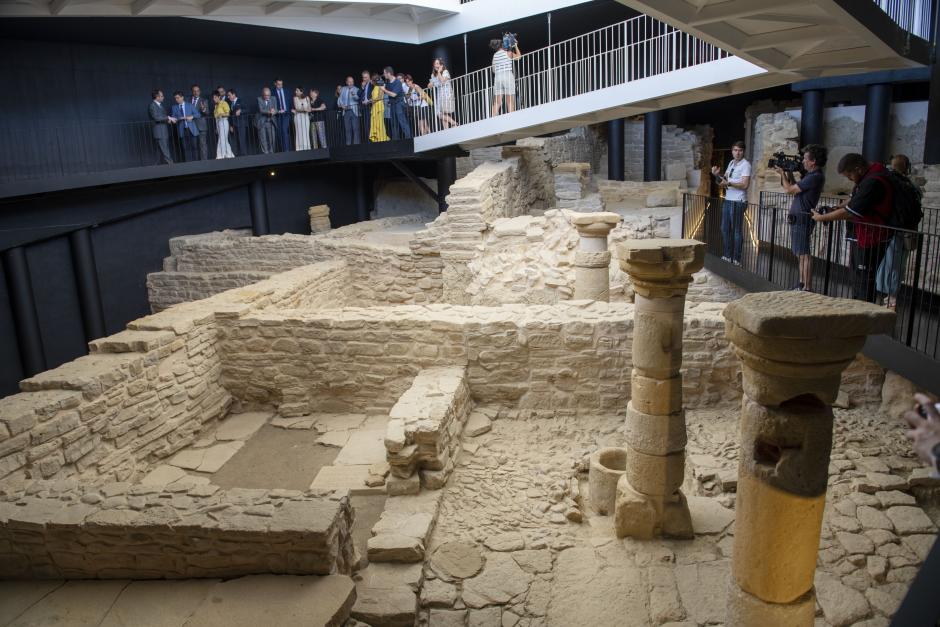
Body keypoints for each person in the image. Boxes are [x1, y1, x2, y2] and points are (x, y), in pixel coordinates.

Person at [811, 153, 893, 303]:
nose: (849, 179)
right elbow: (853, 200)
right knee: (858, 276)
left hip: (871, 237)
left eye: (849, 175)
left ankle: (863, 314)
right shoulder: (869, 177)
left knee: (863, 279)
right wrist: (835, 208)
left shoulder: (873, 182)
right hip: (864, 236)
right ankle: (858, 308)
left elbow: (850, 211)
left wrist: (821, 218)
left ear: (858, 169)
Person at [777, 144, 826, 292]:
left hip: (803, 218)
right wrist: (789, 173)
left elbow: (789, 190)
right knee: (800, 253)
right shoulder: (810, 176)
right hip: (799, 218)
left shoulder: (815, 176)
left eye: (805, 159)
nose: (803, 161)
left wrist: (782, 173)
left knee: (804, 254)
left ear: (813, 161)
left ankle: (807, 286)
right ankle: (801, 283)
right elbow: (795, 186)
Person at [876, 154, 920, 309]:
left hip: (892, 229)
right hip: (907, 230)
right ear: (906, 167)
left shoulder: (891, 182)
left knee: (889, 264)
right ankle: (891, 297)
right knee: (896, 264)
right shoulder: (912, 186)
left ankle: (890, 299)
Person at [711, 140, 751, 265]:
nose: (737, 153)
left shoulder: (746, 165)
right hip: (728, 200)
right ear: (732, 151)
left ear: (743, 151)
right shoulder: (731, 163)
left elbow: (745, 184)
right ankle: (728, 255)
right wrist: (716, 175)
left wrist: (728, 183)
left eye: (740, 150)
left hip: (738, 202)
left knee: (737, 231)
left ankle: (737, 259)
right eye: (735, 150)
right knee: (724, 229)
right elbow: (723, 180)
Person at [491, 38, 521, 117]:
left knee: (497, 102)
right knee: (510, 101)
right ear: (502, 45)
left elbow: (493, 70)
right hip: (507, 76)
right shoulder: (508, 53)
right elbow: (518, 57)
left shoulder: (495, 56)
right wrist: (515, 46)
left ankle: (493, 119)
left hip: (497, 78)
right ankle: (511, 119)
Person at [381, 66, 411, 140]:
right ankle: (395, 142)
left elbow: (394, 94)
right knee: (394, 124)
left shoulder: (397, 82)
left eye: (384, 73)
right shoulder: (387, 82)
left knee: (403, 122)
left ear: (388, 73)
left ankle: (409, 140)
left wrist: (384, 90)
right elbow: (383, 92)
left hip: (399, 104)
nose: (384, 75)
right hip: (392, 105)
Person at [428, 58, 457, 130]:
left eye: (437, 63)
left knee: (443, 113)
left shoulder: (445, 72)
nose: (436, 65)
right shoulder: (433, 75)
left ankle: (452, 124)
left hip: (447, 94)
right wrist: (430, 84)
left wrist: (439, 72)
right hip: (440, 95)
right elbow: (429, 85)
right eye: (435, 64)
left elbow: (442, 81)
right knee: (439, 113)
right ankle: (449, 127)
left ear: (441, 65)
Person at [170, 91, 199, 162]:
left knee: (194, 147)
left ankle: (197, 163)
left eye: (178, 98)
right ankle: (188, 164)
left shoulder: (190, 105)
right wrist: (178, 118)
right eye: (175, 98)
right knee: (185, 148)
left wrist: (191, 117)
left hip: (192, 129)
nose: (176, 99)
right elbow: (174, 117)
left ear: (182, 97)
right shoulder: (174, 107)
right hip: (182, 130)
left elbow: (198, 114)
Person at [149, 89, 175, 164]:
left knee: (160, 151)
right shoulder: (152, 105)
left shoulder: (159, 105)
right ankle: (172, 166)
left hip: (163, 131)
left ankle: (155, 168)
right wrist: (168, 118)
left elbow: (162, 117)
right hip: (159, 132)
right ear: (157, 97)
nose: (163, 97)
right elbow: (156, 117)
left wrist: (168, 120)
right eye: (162, 96)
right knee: (165, 150)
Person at [338, 76, 361, 145]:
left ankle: (356, 146)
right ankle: (348, 146)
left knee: (355, 129)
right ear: (346, 82)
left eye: (352, 82)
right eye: (349, 82)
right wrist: (342, 105)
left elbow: (358, 99)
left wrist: (354, 95)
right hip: (346, 111)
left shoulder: (356, 89)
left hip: (354, 111)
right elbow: (340, 99)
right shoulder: (343, 89)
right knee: (347, 130)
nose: (351, 83)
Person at [255, 87, 278, 154]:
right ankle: (265, 153)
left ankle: (272, 152)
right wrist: (269, 112)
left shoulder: (273, 98)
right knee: (263, 139)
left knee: (272, 138)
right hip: (262, 122)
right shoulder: (259, 99)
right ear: (263, 95)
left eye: (269, 95)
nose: (268, 97)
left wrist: (274, 112)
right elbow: (261, 110)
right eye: (266, 95)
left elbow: (276, 109)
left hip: (271, 121)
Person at [190, 85, 210, 160]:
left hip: (201, 126)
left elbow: (207, 112)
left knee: (203, 145)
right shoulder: (188, 100)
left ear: (200, 91)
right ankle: (196, 163)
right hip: (191, 126)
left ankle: (204, 162)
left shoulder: (204, 100)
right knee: (193, 146)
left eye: (197, 91)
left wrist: (203, 109)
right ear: (192, 92)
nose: (196, 92)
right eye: (194, 91)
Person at [272, 78, 292, 151]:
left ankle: (287, 150)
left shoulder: (287, 91)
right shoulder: (272, 92)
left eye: (281, 84)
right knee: (279, 133)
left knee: (284, 131)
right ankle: (282, 150)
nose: (280, 86)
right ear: (275, 84)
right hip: (277, 115)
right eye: (279, 84)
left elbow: (290, 101)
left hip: (286, 114)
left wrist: (291, 110)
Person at [227, 89, 248, 156]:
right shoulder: (230, 103)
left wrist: (240, 111)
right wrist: (230, 125)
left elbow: (248, 109)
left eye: (229, 95)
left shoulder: (241, 101)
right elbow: (230, 115)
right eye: (228, 95)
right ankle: (238, 156)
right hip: (234, 125)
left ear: (234, 95)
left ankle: (244, 155)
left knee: (242, 141)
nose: (228, 97)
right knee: (236, 141)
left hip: (241, 124)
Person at [212, 93, 234, 159]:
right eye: (213, 98)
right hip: (218, 122)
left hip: (223, 121)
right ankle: (230, 154)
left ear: (219, 97)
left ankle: (220, 155)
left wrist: (221, 114)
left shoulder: (224, 103)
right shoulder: (216, 106)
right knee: (224, 139)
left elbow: (228, 113)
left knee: (222, 138)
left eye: (215, 97)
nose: (214, 99)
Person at [369, 75, 389, 143]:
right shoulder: (374, 87)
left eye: (372, 80)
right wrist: (371, 100)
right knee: (375, 124)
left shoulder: (381, 86)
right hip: (374, 106)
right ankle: (377, 139)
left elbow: (380, 97)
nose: (371, 81)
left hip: (379, 106)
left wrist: (372, 100)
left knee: (380, 124)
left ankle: (382, 139)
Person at [360, 70, 374, 142]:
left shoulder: (372, 83)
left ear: (369, 77)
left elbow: (375, 94)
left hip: (371, 106)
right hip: (365, 108)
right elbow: (360, 95)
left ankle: (373, 140)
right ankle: (368, 141)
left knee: (372, 124)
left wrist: (368, 101)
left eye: (366, 77)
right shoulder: (364, 85)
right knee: (366, 125)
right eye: (363, 77)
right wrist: (362, 87)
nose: (364, 79)